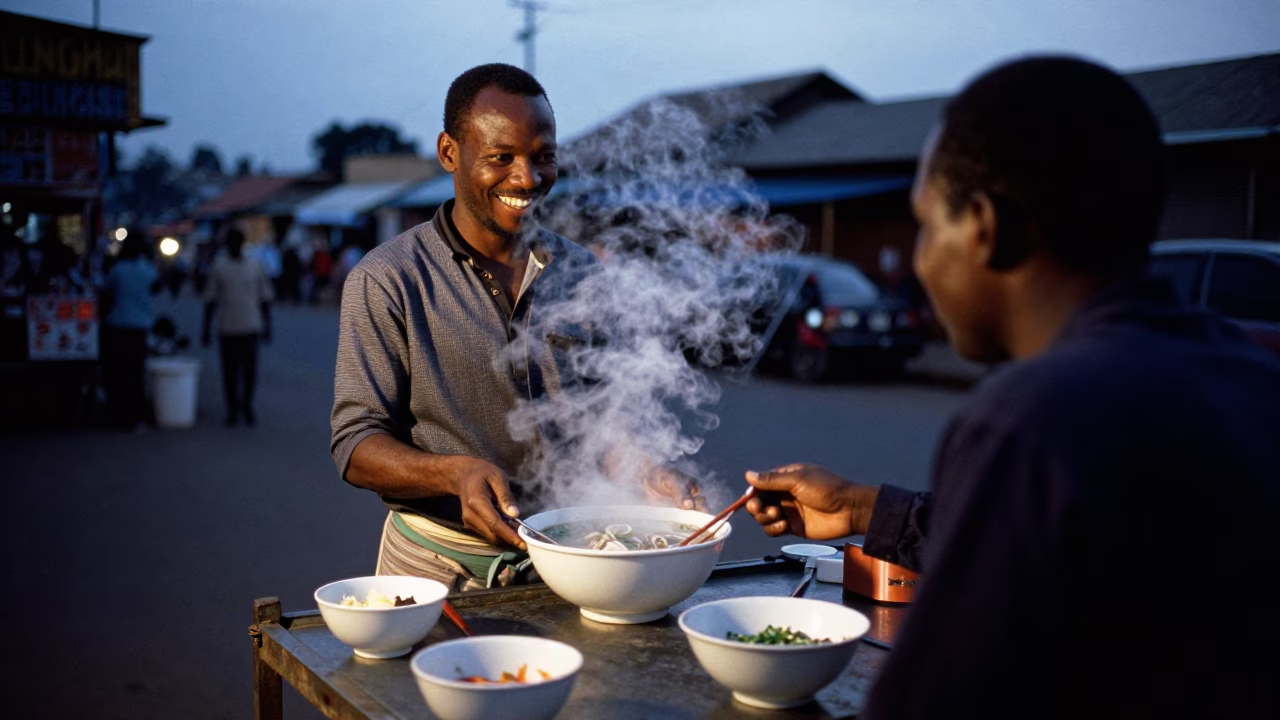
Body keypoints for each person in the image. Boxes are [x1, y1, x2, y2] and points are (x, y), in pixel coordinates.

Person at [745, 56, 1279, 719]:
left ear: (983, 227)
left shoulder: (1035, 417)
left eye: (926, 225)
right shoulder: (1247, 372)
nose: (919, 258)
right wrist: (859, 508)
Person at [330, 63, 704, 592]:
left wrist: (644, 469)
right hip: (434, 567)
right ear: (449, 153)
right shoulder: (387, 278)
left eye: (543, 157)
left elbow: (603, 420)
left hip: (563, 559)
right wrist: (452, 474)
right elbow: (355, 443)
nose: (527, 178)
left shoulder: (580, 272)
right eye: (501, 157)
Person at [202, 229, 273, 426]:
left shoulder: (255, 266)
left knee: (249, 372)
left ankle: (247, 404)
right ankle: (232, 408)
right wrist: (205, 328)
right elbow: (210, 300)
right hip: (227, 328)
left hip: (251, 326)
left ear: (242, 243)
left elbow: (265, 298)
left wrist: (268, 326)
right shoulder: (219, 266)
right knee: (230, 372)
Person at [99, 232, 159, 431]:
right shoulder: (148, 269)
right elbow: (156, 287)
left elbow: (105, 292)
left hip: (118, 326)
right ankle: (136, 417)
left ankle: (119, 415)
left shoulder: (118, 269)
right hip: (139, 326)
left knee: (119, 373)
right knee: (135, 374)